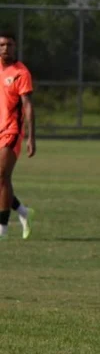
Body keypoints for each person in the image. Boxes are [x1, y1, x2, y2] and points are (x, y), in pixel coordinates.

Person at [0, 31, 34, 240]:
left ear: (15, 47)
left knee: (3, 175)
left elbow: (28, 106)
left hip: (12, 131)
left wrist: (31, 137)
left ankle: (2, 228)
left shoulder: (21, 73)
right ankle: (23, 211)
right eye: (2, 45)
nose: (5, 48)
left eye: (9, 45)